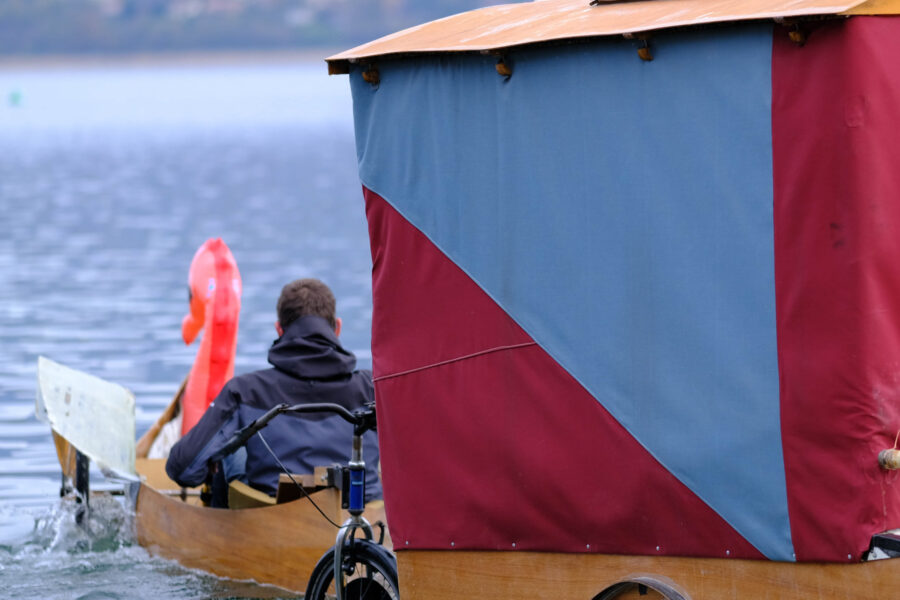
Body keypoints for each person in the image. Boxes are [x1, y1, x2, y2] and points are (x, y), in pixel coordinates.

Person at [166, 278, 381, 504]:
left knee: (230, 445)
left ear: (279, 330)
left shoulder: (245, 391)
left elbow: (183, 471)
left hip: (270, 523)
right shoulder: (374, 388)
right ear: (337, 328)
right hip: (366, 525)